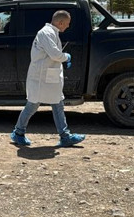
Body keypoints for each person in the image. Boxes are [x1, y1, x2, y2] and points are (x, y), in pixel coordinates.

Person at [10, 10, 86, 147]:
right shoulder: (46, 33)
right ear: (60, 22)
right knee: (32, 106)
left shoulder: (52, 32)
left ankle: (65, 136)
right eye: (67, 24)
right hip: (40, 78)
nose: (68, 26)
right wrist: (66, 57)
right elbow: (55, 54)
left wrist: (62, 58)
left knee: (58, 104)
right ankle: (18, 132)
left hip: (48, 78)